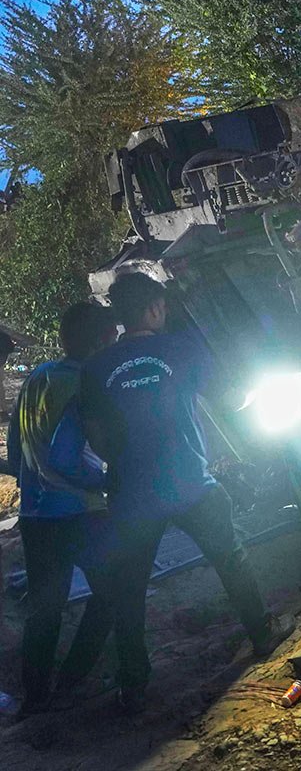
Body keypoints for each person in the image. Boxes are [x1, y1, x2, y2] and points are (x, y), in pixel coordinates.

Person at [79, 273, 280, 713]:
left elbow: (94, 438)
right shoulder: (181, 347)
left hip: (133, 495)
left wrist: (128, 459)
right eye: (162, 307)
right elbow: (227, 398)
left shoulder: (95, 368)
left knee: (128, 591)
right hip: (190, 482)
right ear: (154, 308)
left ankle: (133, 684)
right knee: (231, 558)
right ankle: (263, 636)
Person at [5, 302, 118, 716]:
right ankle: (72, 681)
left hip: (36, 516)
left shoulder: (38, 378)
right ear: (102, 340)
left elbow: (15, 452)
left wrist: (32, 483)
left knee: (44, 610)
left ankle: (35, 700)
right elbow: (69, 457)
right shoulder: (85, 383)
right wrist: (107, 482)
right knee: (112, 593)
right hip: (81, 514)